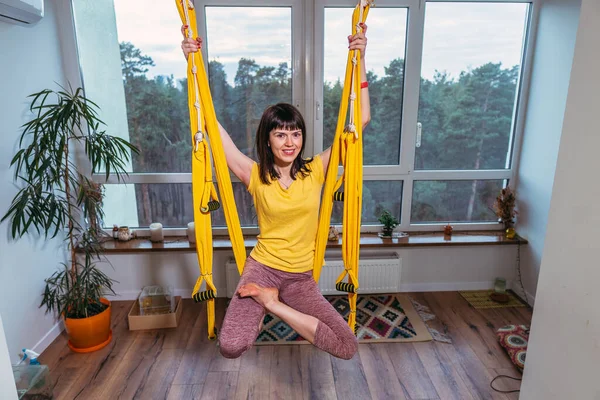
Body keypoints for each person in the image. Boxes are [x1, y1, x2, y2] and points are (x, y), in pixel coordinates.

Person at [181, 23, 370, 360]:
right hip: (262, 268)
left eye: (296, 134)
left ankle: (271, 305)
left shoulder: (315, 170)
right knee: (231, 346)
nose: (290, 142)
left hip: (300, 278)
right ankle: (264, 304)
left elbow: (360, 121)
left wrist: (361, 57)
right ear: (267, 138)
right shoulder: (253, 174)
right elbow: (208, 125)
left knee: (347, 346)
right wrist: (192, 67)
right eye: (281, 134)